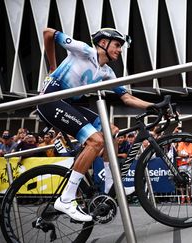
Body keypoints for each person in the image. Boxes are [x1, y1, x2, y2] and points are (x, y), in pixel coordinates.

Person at [36, 27, 156, 222]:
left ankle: (111, 185)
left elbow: (126, 98)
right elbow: (48, 33)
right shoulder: (83, 50)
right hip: (50, 101)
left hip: (68, 104)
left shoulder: (107, 72)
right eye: (117, 45)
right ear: (103, 43)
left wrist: (154, 106)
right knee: (96, 142)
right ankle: (66, 199)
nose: (120, 50)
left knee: (112, 131)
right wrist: (52, 66)